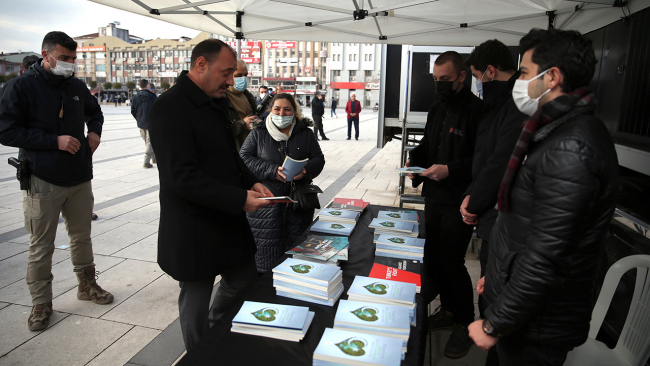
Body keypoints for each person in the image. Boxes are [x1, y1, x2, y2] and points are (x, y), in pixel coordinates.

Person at [467, 29, 619, 366]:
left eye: (524, 73)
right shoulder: (554, 131)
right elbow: (525, 225)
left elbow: (547, 255)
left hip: (537, 326)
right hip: (523, 314)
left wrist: (495, 321)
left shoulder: (572, 147)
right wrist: (498, 276)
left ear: (552, 77)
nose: (518, 82)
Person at [148, 39, 272, 352]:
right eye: (226, 72)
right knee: (195, 300)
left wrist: (251, 180)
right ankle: (199, 355)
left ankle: (218, 332)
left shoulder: (216, 101)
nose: (231, 81)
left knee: (243, 277)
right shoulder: (169, 107)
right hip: (194, 224)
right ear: (201, 64)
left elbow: (230, 154)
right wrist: (239, 199)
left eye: (233, 74)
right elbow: (182, 177)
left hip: (226, 216)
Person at [0, 31, 113, 332]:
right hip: (42, 179)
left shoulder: (75, 85)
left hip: (78, 178)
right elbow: (6, 130)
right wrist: (53, 141)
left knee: (82, 237)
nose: (70, 64)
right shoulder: (21, 86)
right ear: (46, 54)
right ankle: (41, 303)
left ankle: (87, 285)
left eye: (73, 59)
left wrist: (95, 132)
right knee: (41, 245)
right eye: (64, 58)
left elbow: (95, 111)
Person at [406, 51, 483, 359]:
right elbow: (428, 143)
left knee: (451, 261)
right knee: (434, 257)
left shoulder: (477, 111)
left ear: (462, 77)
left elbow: (480, 161)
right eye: (435, 79)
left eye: (446, 79)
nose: (439, 85)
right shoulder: (438, 106)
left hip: (459, 200)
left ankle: (465, 320)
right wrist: (415, 160)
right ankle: (449, 312)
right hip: (434, 196)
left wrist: (449, 170)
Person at [461, 39, 527, 314]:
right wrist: (472, 192)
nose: (478, 83)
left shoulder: (516, 104)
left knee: (493, 294)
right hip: (489, 209)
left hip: (501, 217)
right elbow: (486, 157)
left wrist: (474, 202)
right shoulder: (499, 102)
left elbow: (500, 163)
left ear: (490, 70)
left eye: (477, 77)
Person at [240, 93, 325, 273]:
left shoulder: (305, 133)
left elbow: (319, 158)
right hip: (267, 203)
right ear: (270, 109)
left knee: (297, 256)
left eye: (287, 109)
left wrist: (305, 171)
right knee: (266, 256)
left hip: (298, 204)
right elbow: (244, 159)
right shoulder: (258, 132)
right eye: (277, 109)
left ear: (294, 111)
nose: (281, 114)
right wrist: (271, 170)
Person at [225, 59, 258, 151]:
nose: (243, 78)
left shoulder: (247, 96)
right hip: (234, 150)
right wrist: (243, 124)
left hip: (250, 149)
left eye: (246, 75)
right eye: (239, 75)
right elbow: (219, 130)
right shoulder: (222, 97)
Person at [131, 79, 158, 168]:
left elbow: (133, 111)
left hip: (141, 123)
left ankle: (154, 159)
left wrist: (138, 118)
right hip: (151, 123)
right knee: (150, 142)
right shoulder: (153, 97)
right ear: (147, 86)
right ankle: (146, 162)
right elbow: (158, 110)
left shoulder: (135, 97)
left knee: (148, 142)